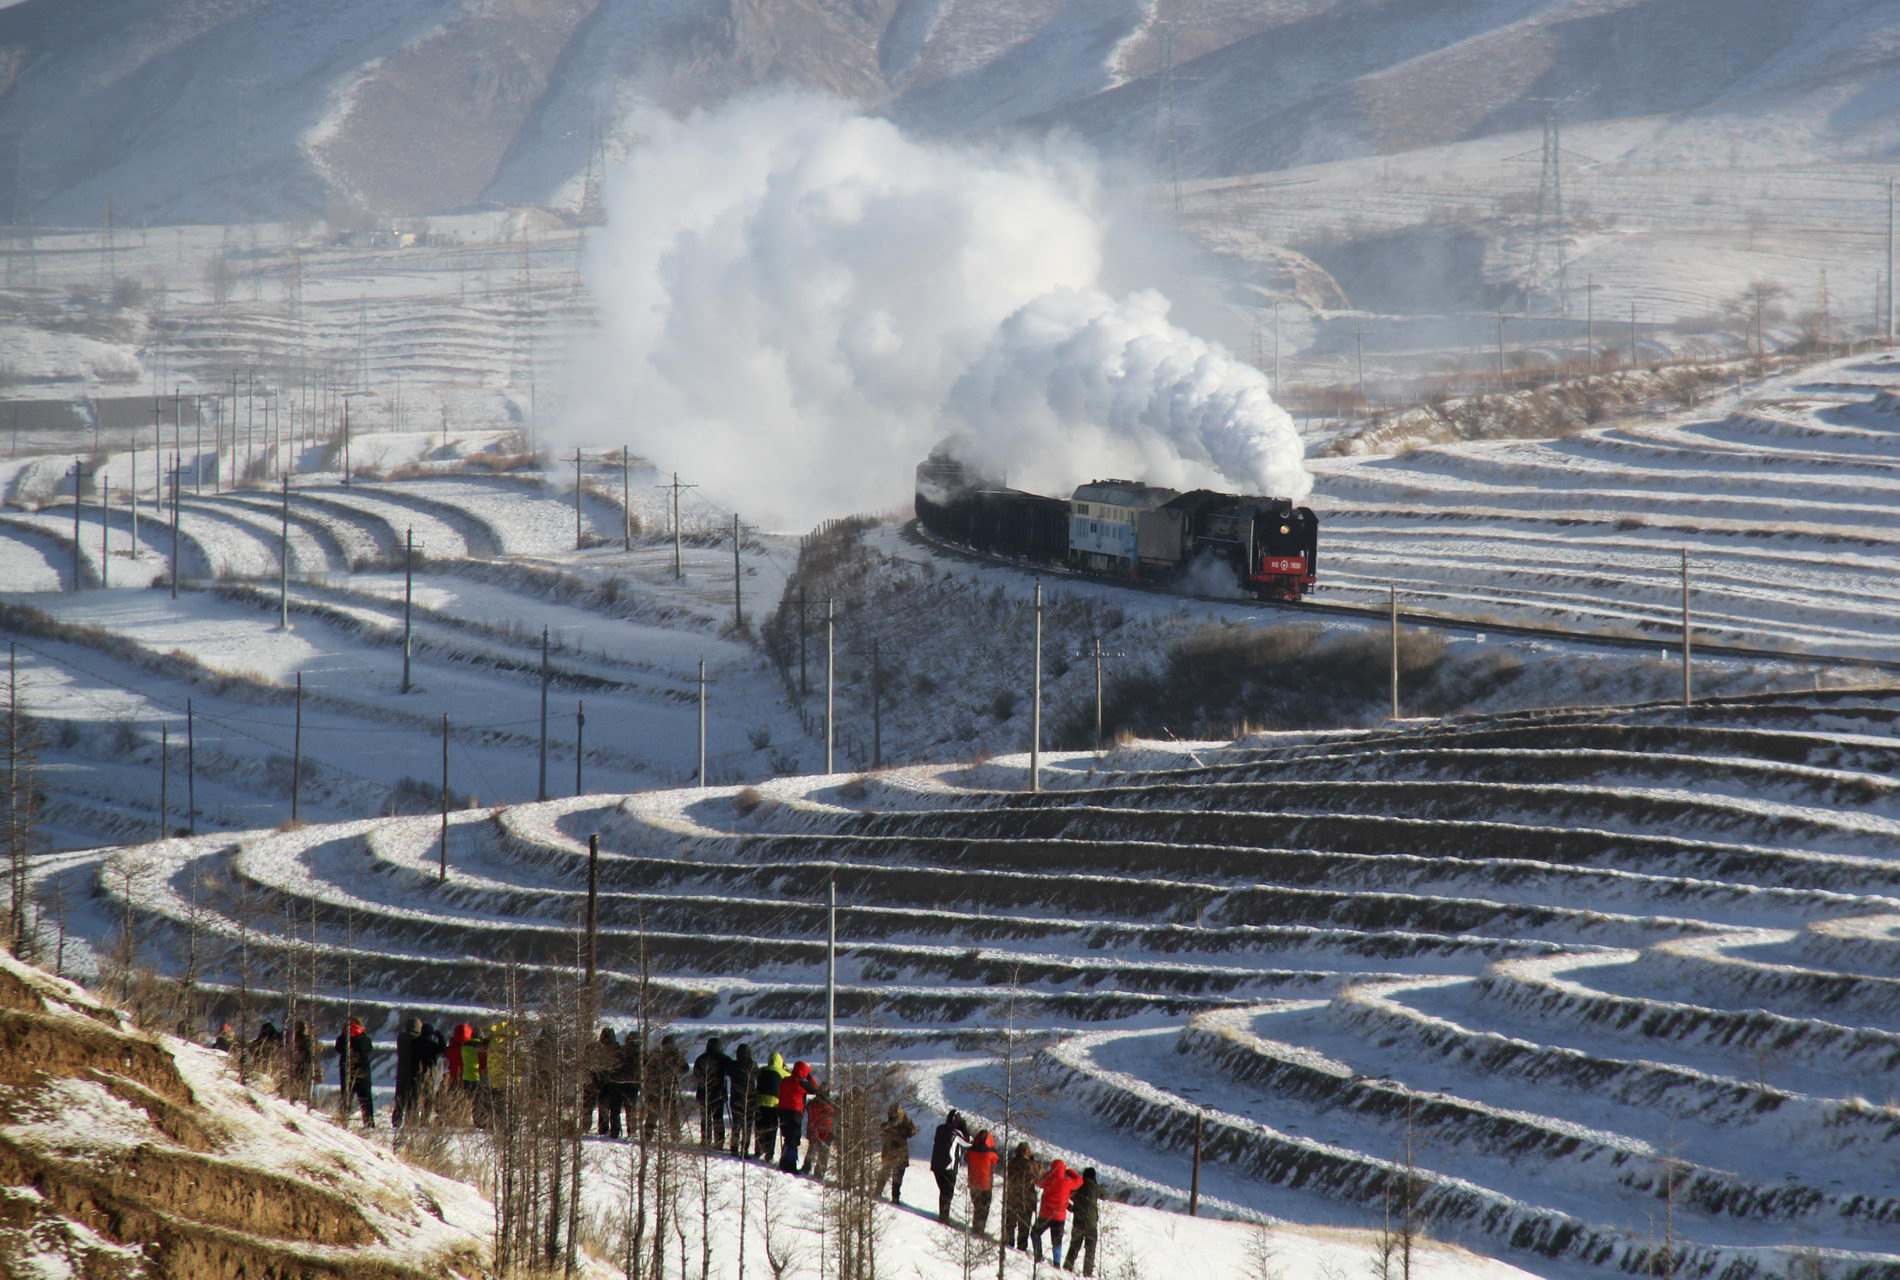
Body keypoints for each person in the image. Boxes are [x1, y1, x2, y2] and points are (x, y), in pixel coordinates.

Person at [1031, 1158, 1083, 1264]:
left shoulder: (1048, 1180)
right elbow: (1079, 1181)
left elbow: (1037, 1181)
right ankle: (1056, 1263)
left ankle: (1038, 1255)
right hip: (1059, 1217)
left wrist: (1048, 1174)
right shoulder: (1067, 1181)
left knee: (1035, 1233)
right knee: (1057, 1242)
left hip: (1045, 1215)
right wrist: (1069, 1171)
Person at [930, 1108, 973, 1223]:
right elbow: (968, 1143)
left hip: (936, 1165)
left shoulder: (939, 1129)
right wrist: (964, 1128)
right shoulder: (957, 1134)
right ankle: (944, 1218)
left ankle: (943, 1215)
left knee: (944, 1191)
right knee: (947, 1192)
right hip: (949, 1166)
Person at [776, 1059, 816, 1173]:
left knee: (788, 1138)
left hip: (782, 1111)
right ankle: (790, 1165)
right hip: (795, 1113)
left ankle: (784, 1161)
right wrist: (809, 1076)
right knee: (793, 1140)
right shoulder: (801, 1084)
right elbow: (815, 1089)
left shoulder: (785, 1080)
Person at [692, 1037, 733, 1148]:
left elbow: (695, 1075)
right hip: (718, 1093)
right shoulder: (723, 1059)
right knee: (718, 1118)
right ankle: (719, 1142)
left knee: (705, 1118)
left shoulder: (700, 1059)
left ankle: (706, 1140)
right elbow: (732, 1071)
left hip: (702, 1092)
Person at [335, 1017, 374, 1128]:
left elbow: (337, 1048)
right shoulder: (364, 1038)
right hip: (363, 1072)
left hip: (346, 1071)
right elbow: (369, 1048)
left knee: (346, 1097)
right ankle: (369, 1124)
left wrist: (345, 1035)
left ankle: (343, 1121)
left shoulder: (342, 1038)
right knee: (365, 1099)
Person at [585, 1027, 624, 1137]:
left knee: (604, 1107)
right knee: (615, 1109)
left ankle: (604, 1129)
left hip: (602, 1081)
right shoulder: (618, 1049)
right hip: (616, 1082)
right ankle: (614, 1130)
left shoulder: (597, 1049)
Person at [877, 1104, 917, 1204]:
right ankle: (880, 1193)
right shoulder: (888, 1125)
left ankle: (892, 1197)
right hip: (894, 1154)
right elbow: (881, 1130)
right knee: (887, 1175)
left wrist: (906, 1122)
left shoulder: (903, 1125)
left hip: (898, 1154)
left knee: (895, 1177)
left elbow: (913, 1131)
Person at [1003, 1142, 1038, 1252]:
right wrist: (1032, 1159)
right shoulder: (1030, 1165)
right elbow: (1039, 1173)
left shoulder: (1011, 1162)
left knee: (1010, 1223)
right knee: (1024, 1226)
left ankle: (1009, 1242)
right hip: (1026, 1199)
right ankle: (1021, 1247)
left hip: (1012, 1196)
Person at [1064, 1167, 1100, 1276]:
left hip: (1079, 1221)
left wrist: (1068, 1206)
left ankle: (1067, 1267)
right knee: (1090, 1250)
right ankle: (1087, 1274)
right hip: (1092, 1224)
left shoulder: (1079, 1185)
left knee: (1074, 1245)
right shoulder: (1096, 1188)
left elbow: (1070, 1195)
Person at [753, 1051, 787, 1163]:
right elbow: (791, 1077)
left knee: (759, 1127)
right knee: (772, 1129)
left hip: (760, 1102)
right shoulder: (782, 1072)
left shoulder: (762, 1070)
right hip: (774, 1104)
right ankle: (769, 1153)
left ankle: (758, 1149)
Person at [966, 1130, 1000, 1235]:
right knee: (984, 1208)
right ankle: (979, 1230)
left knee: (977, 1206)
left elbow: (966, 1158)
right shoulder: (991, 1154)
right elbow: (996, 1164)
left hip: (973, 1183)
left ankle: (976, 1227)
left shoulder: (970, 1152)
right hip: (986, 1184)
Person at [393, 1017, 424, 1129]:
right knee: (413, 1100)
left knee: (400, 1098)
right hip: (415, 1073)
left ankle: (396, 1121)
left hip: (402, 1072)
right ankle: (411, 1122)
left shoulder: (401, 1038)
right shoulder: (419, 1039)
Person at [726, 1044, 757, 1157]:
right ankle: (745, 1149)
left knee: (736, 1124)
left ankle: (734, 1148)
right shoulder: (753, 1065)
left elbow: (726, 1070)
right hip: (750, 1099)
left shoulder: (733, 1065)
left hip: (736, 1099)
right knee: (747, 1126)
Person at [802, 1086, 837, 1181]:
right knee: (823, 1153)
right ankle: (819, 1172)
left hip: (814, 1129)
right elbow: (834, 1112)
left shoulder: (812, 1104)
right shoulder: (828, 1106)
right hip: (824, 1131)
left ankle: (807, 1167)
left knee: (812, 1150)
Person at [287, 1020, 314, 1103]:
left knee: (298, 1079)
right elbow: (308, 1051)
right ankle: (299, 1097)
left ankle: (296, 1096)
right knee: (302, 1079)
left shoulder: (293, 1037)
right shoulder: (304, 1038)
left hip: (298, 1061)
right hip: (302, 1061)